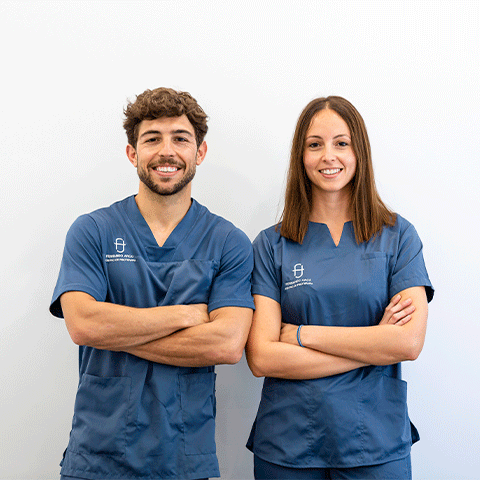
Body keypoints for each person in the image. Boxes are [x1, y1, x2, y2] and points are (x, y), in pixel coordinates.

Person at [50, 87, 254, 480]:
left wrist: (118, 332)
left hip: (181, 456)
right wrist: (186, 315)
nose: (167, 151)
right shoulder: (93, 231)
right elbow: (84, 325)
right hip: (98, 455)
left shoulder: (228, 242)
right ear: (132, 153)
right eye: (152, 139)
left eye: (180, 138)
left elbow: (226, 344)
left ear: (200, 153)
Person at [245, 96, 434, 480]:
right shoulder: (270, 245)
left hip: (375, 442)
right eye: (315, 145)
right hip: (288, 444)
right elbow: (262, 358)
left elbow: (407, 344)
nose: (328, 156)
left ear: (359, 151)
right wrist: (374, 344)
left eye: (341, 143)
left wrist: (301, 334)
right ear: (301, 156)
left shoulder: (397, 237)